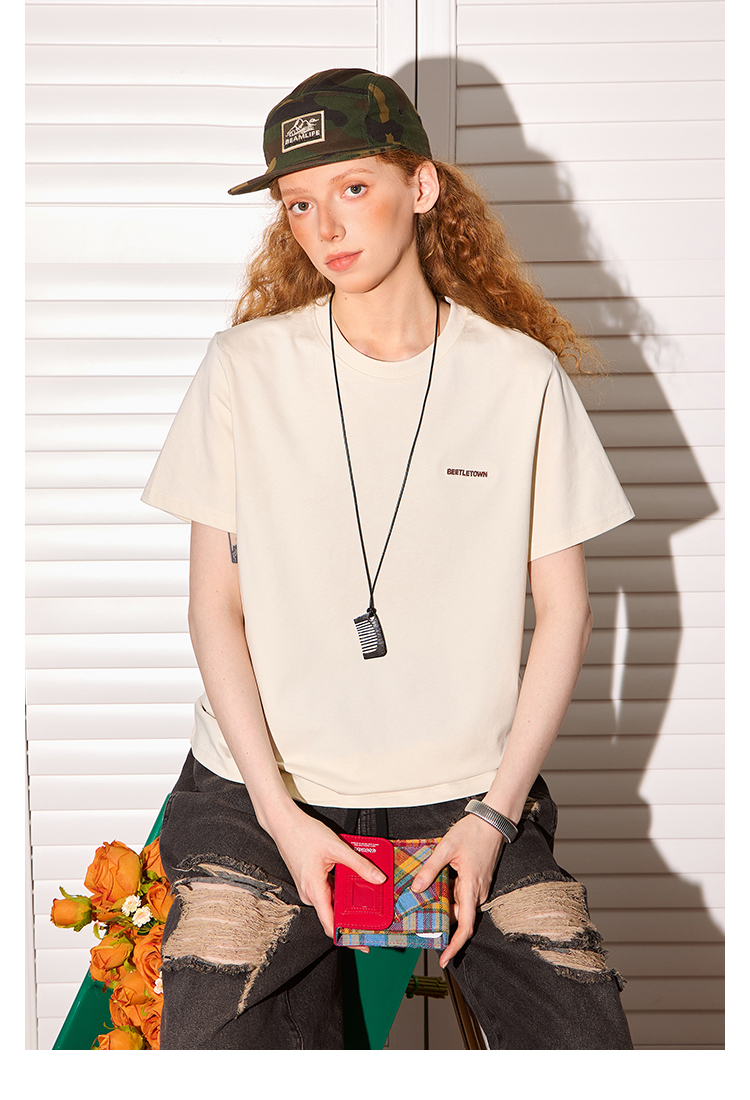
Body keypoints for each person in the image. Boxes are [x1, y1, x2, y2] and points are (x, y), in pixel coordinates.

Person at [141, 68, 635, 1050]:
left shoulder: (519, 378)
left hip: (466, 799)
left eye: (353, 187)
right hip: (262, 797)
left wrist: (495, 817)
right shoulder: (243, 369)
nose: (324, 225)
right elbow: (213, 609)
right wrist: (281, 816)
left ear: (422, 185)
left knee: (587, 1045)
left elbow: (568, 611)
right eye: (299, 203)